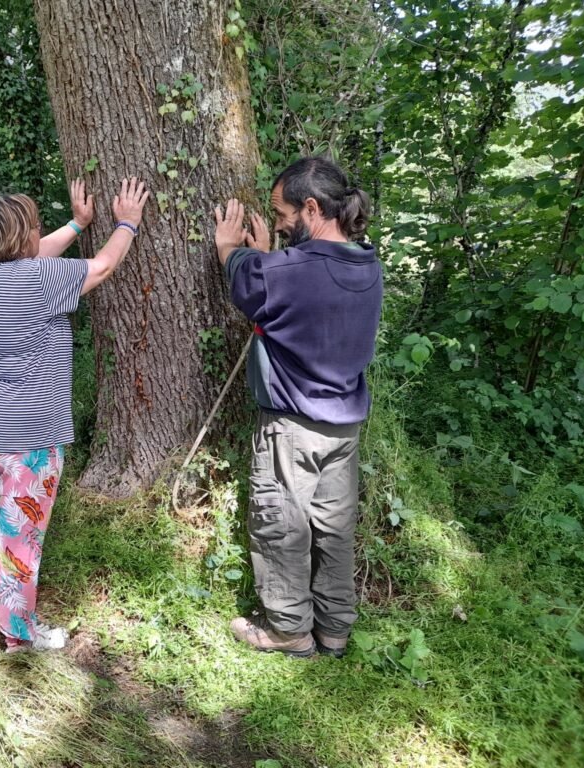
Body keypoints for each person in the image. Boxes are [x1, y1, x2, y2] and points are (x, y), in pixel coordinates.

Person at [0, 178, 149, 652]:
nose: (40, 233)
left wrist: (77, 223)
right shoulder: (40, 280)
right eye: (35, 226)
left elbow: (37, 251)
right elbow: (104, 265)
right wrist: (127, 223)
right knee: (20, 536)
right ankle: (19, 634)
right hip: (24, 432)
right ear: (23, 239)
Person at [213, 156, 383, 658]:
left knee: (282, 524)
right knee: (335, 530)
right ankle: (334, 628)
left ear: (312, 207)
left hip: (292, 425)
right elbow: (291, 279)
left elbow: (250, 279)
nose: (282, 225)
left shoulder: (285, 271)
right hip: (345, 427)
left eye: (283, 214)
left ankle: (287, 628)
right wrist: (270, 255)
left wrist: (230, 248)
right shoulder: (366, 265)